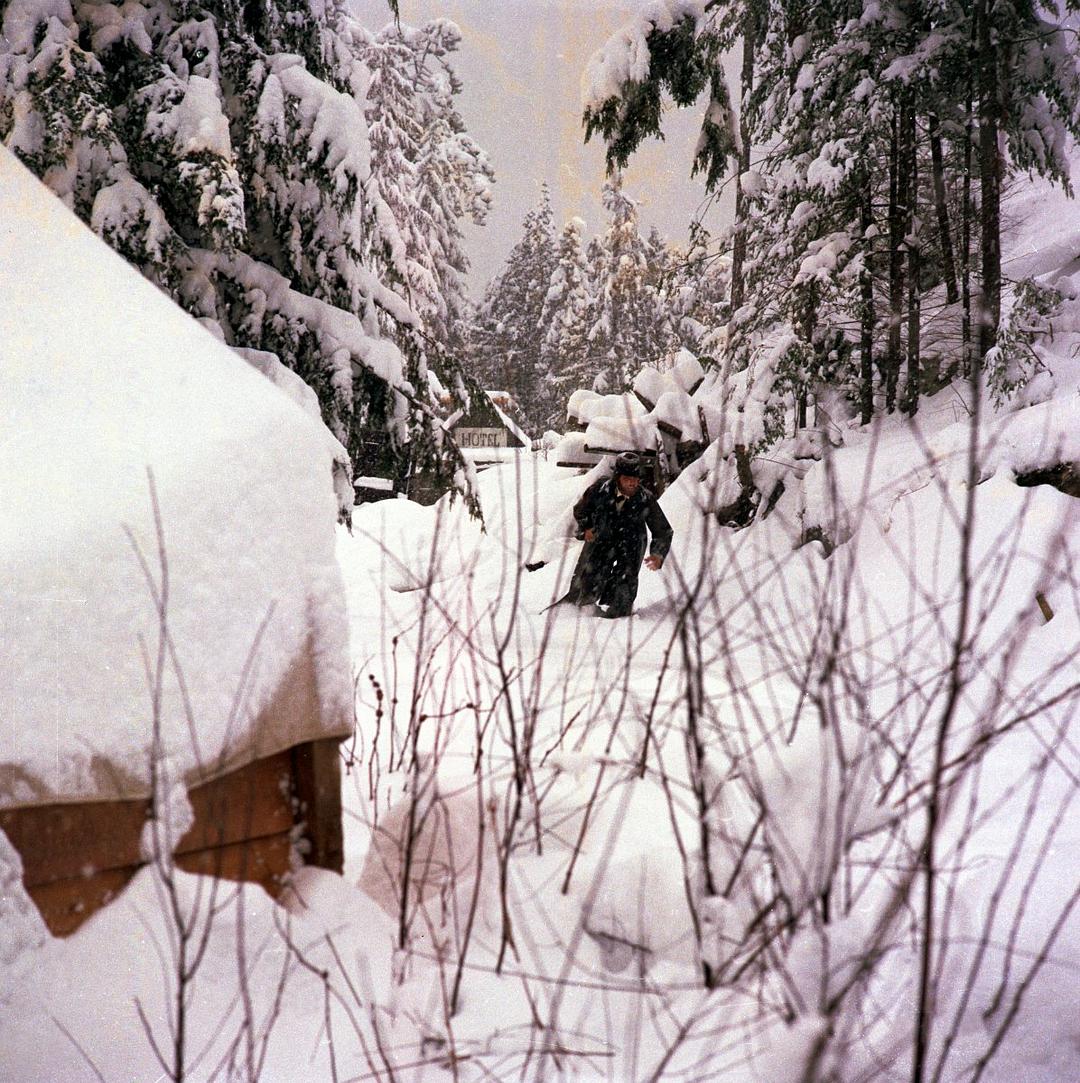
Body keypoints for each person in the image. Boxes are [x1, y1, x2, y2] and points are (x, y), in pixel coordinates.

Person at [564, 452, 673, 618]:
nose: (632, 483)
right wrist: (585, 528)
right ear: (617, 478)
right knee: (590, 573)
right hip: (602, 539)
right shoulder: (599, 490)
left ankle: (619, 617)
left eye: (636, 479)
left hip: (632, 542)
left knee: (626, 580)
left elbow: (662, 530)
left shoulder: (645, 498)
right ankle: (581, 611)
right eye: (627, 479)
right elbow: (580, 510)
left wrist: (658, 554)